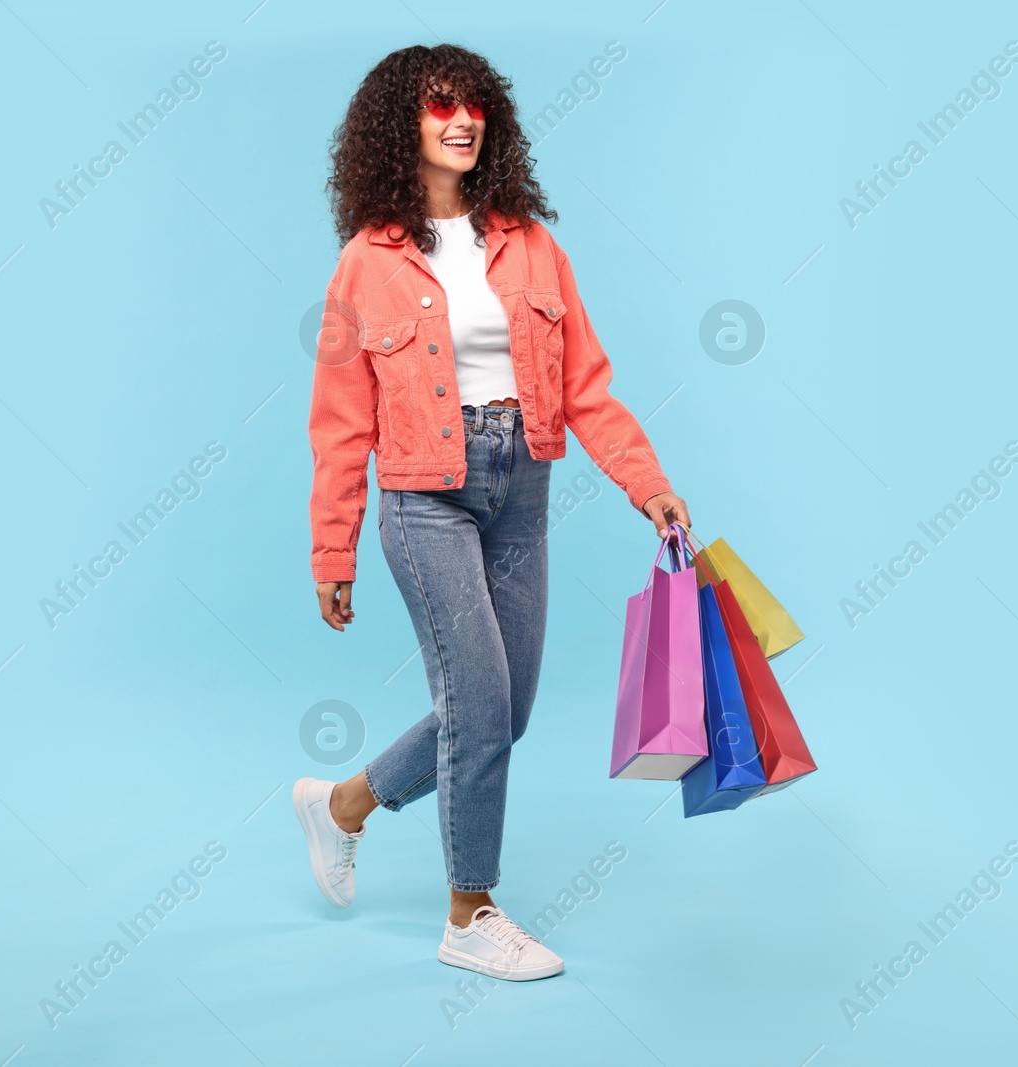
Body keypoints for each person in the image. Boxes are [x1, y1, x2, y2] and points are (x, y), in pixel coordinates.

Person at [295, 43, 690, 981]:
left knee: (502, 710)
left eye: (474, 106)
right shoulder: (366, 263)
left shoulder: (530, 244)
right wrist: (332, 547)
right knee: (475, 701)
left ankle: (343, 805)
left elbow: (587, 385)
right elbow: (341, 420)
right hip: (424, 496)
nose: (462, 120)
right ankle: (470, 911)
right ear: (405, 125)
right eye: (440, 107)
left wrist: (648, 481)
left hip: (523, 487)